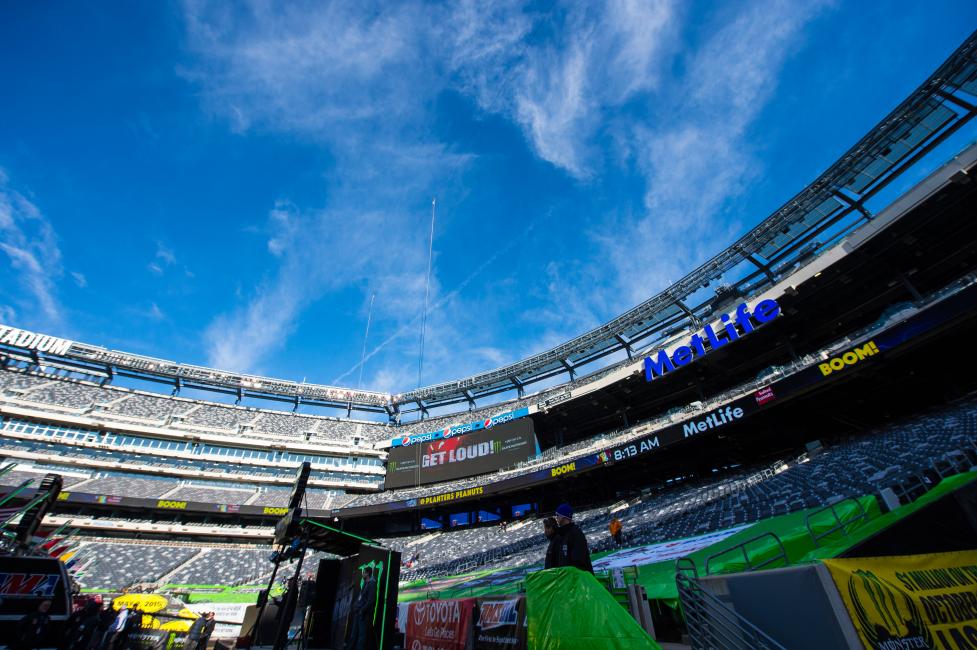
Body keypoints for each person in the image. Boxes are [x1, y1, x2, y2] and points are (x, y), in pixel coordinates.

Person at [554, 503, 594, 573]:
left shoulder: (575, 533)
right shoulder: (563, 534)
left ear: (563, 517)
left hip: (577, 580)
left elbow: (579, 561)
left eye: (557, 515)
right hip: (569, 578)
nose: (556, 518)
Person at [346, 567, 377, 650]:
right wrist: (356, 606)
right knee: (354, 634)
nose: (362, 574)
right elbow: (361, 596)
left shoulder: (372, 584)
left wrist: (362, 610)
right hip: (358, 611)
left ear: (367, 573)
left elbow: (371, 600)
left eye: (363, 573)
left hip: (364, 614)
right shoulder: (365, 583)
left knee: (361, 636)